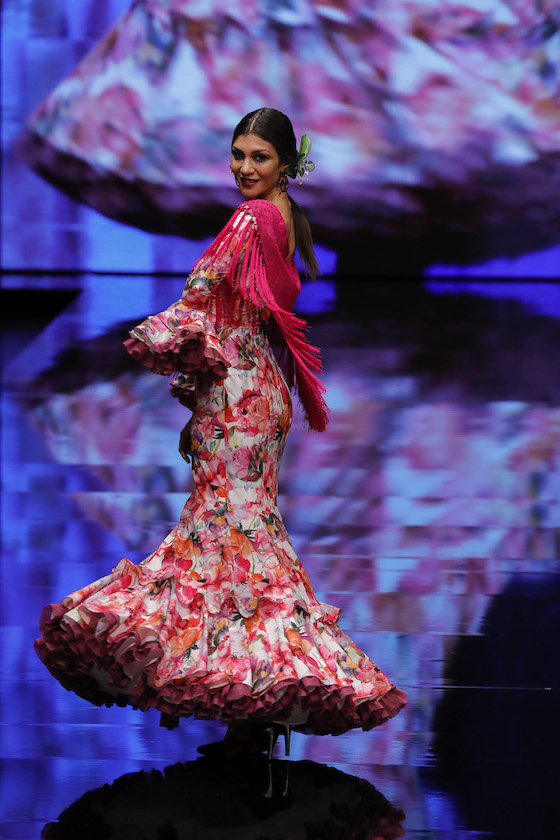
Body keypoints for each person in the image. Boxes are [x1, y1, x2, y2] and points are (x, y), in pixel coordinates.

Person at [35, 108, 407, 757]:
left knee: (229, 537)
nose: (243, 167)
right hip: (257, 391)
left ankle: (267, 676)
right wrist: (197, 401)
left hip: (238, 395)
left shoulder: (252, 218)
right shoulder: (285, 217)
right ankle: (258, 685)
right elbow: (246, 316)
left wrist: (172, 349)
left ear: (285, 164)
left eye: (258, 156)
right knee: (241, 536)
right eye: (238, 154)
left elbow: (202, 292)